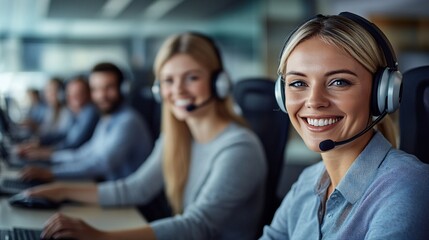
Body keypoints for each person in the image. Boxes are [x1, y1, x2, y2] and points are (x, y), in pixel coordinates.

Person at [26, 32, 267, 240]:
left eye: (192, 78)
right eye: (168, 81)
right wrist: (61, 190)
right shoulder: (179, 137)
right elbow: (135, 188)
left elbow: (197, 225)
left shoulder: (239, 148)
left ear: (219, 83)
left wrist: (101, 237)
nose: (178, 91)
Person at [260, 12, 429, 239]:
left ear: (382, 93)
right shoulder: (308, 182)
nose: (314, 101)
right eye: (298, 83)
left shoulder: (407, 187)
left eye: (339, 82)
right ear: (281, 95)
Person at [20, 62, 153, 182]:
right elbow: (85, 153)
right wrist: (49, 157)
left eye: (109, 88)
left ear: (123, 89)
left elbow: (101, 164)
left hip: (131, 205)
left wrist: (51, 172)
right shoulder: (107, 118)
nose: (102, 95)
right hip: (112, 192)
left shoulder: (128, 121)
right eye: (96, 89)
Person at [17, 76, 99, 158]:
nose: (74, 97)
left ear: (89, 94)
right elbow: (63, 134)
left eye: (79, 93)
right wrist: (40, 142)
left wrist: (47, 151)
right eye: (71, 94)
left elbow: (73, 143)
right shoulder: (76, 113)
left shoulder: (89, 112)